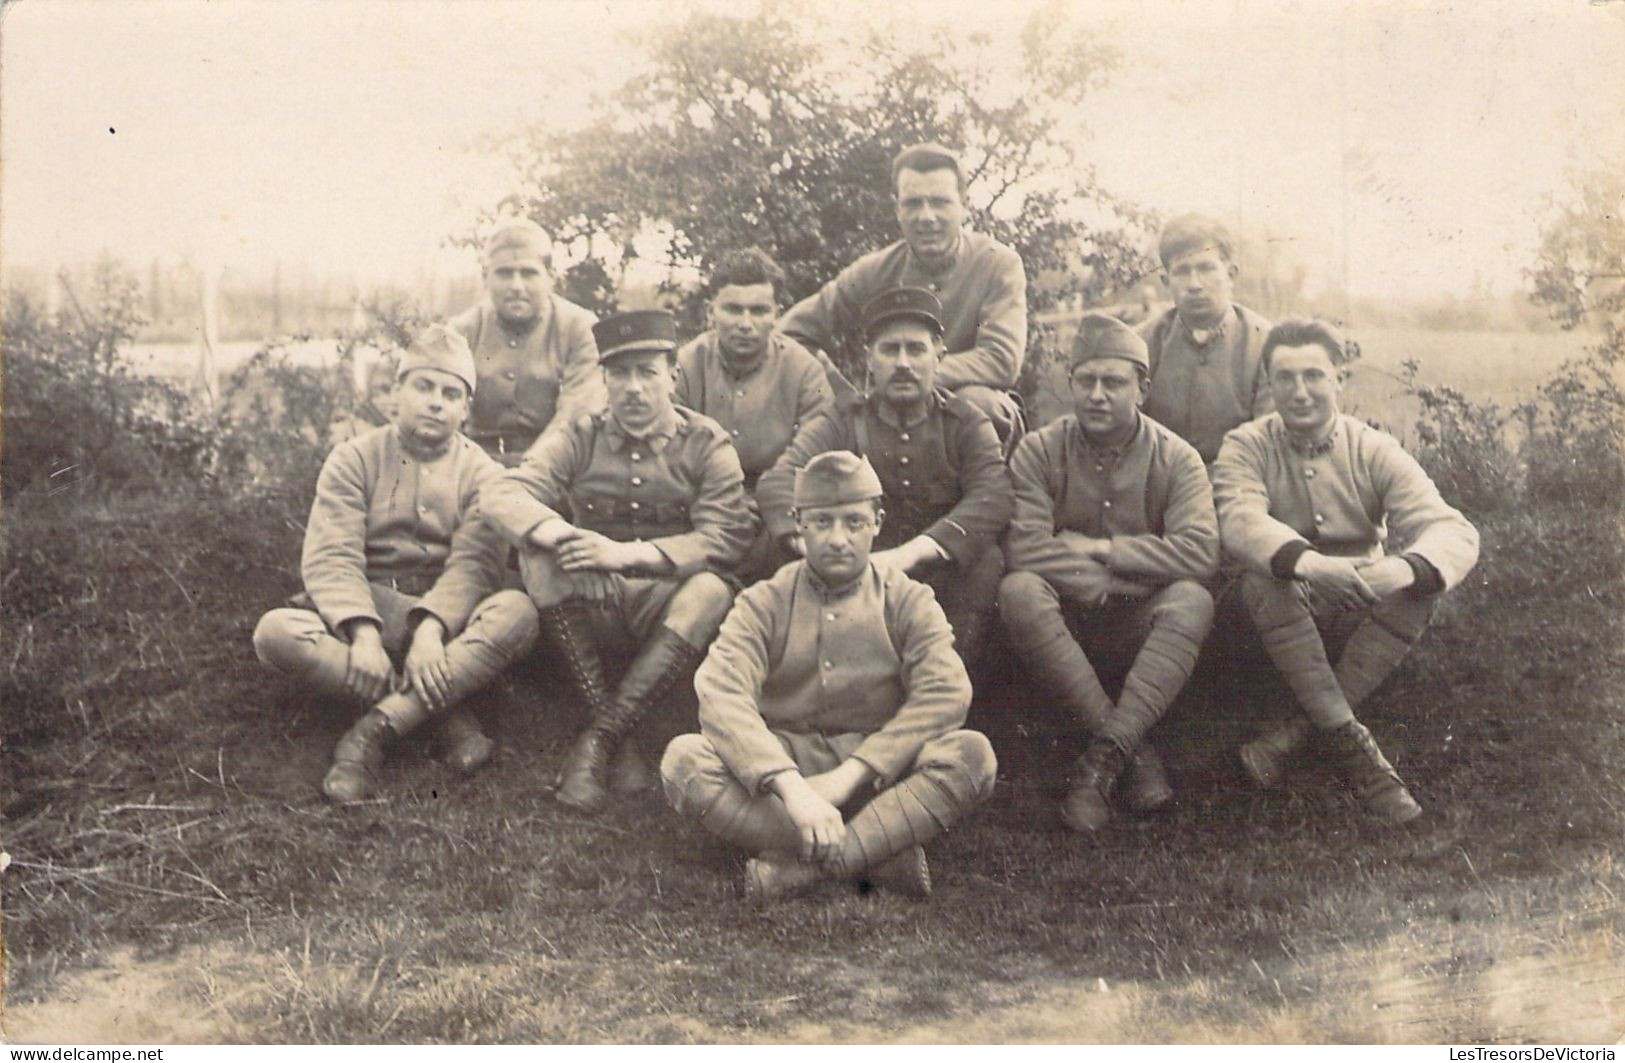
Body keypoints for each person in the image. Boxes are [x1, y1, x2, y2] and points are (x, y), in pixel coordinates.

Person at [661, 451, 997, 903]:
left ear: (878, 523)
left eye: (854, 523)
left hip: (881, 780)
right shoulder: (763, 601)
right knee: (684, 761)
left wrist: (848, 777)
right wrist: (792, 788)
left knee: (973, 756)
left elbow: (946, 693)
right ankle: (877, 853)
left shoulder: (908, 598)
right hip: (785, 782)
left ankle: (802, 868)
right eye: (822, 523)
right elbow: (722, 694)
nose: (838, 539)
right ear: (798, 523)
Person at [479, 309, 754, 815]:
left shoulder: (705, 442)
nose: (632, 388)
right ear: (603, 379)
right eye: (619, 374)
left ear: (672, 376)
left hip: (664, 608)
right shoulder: (580, 434)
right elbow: (502, 493)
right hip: (593, 603)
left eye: (647, 372)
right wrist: (567, 539)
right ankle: (616, 734)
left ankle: (599, 739)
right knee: (536, 560)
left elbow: (726, 535)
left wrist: (627, 555)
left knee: (713, 590)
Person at [252, 325, 539, 803]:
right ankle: (445, 714)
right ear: (395, 393)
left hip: (449, 626)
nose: (435, 402)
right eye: (423, 387)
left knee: (518, 613)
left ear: (465, 410)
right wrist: (363, 633)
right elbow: (332, 555)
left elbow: (473, 566)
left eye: (451, 393)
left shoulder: (485, 473)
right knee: (275, 633)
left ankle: (371, 734)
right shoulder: (353, 459)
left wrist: (430, 630)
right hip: (369, 610)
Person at [1213, 319, 1480, 823]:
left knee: (1421, 589)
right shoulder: (1246, 444)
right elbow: (1238, 519)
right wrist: (1312, 566)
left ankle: (1294, 733)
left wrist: (1400, 569)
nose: (1300, 392)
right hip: (1268, 617)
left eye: (1314, 375)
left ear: (1340, 379)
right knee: (1267, 578)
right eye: (1284, 378)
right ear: (1268, 384)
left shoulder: (1373, 447)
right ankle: (1357, 752)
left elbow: (1454, 530)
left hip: (1354, 606)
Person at [998, 314, 1219, 832]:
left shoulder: (1178, 458)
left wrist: (1104, 552)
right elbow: (1025, 547)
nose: (1097, 395)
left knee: (1193, 600)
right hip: (1063, 625)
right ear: (1071, 384)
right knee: (1020, 590)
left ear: (1142, 389)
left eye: (1114, 383)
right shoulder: (1038, 450)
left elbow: (1200, 553)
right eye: (1085, 381)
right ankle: (1131, 754)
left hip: (1140, 624)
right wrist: (1103, 582)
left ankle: (1100, 764)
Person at [758, 287, 1013, 668]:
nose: (904, 363)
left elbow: (993, 494)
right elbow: (779, 482)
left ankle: (949, 690)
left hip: (935, 569)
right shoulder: (841, 420)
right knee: (774, 550)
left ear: (939, 356)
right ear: (869, 360)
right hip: (853, 568)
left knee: (986, 561)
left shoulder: (964, 421)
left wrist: (913, 552)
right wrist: (815, 546)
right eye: (890, 350)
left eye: (916, 349)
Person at [779, 142, 1028, 439]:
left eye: (940, 202)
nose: (926, 217)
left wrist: (908, 376)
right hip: (889, 418)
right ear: (896, 208)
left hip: (966, 423)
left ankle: (991, 486)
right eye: (912, 203)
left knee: (979, 404)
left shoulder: (997, 264)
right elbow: (788, 335)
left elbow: (1001, 359)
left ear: (964, 203)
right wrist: (840, 395)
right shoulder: (874, 271)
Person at [675, 248, 833, 579]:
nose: (746, 324)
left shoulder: (804, 370)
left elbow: (817, 453)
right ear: (710, 312)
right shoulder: (686, 364)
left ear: (777, 313)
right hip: (701, 503)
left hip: (777, 506)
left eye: (759, 310)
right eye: (733, 309)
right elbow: (670, 452)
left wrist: (771, 506)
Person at [448, 220, 605, 466]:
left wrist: (530, 471)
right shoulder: (462, 331)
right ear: (485, 277)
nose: (516, 286)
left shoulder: (579, 328)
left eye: (528, 273)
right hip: (473, 464)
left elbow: (576, 414)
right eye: (504, 273)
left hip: (555, 466)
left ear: (550, 276)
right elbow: (447, 416)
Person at [1137, 214, 1275, 466]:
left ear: (1231, 274)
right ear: (1165, 280)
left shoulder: (1266, 344)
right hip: (1160, 485)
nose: (1194, 284)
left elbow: (1269, 440)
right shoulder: (1141, 343)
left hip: (1240, 484)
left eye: (1206, 268)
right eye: (1182, 271)